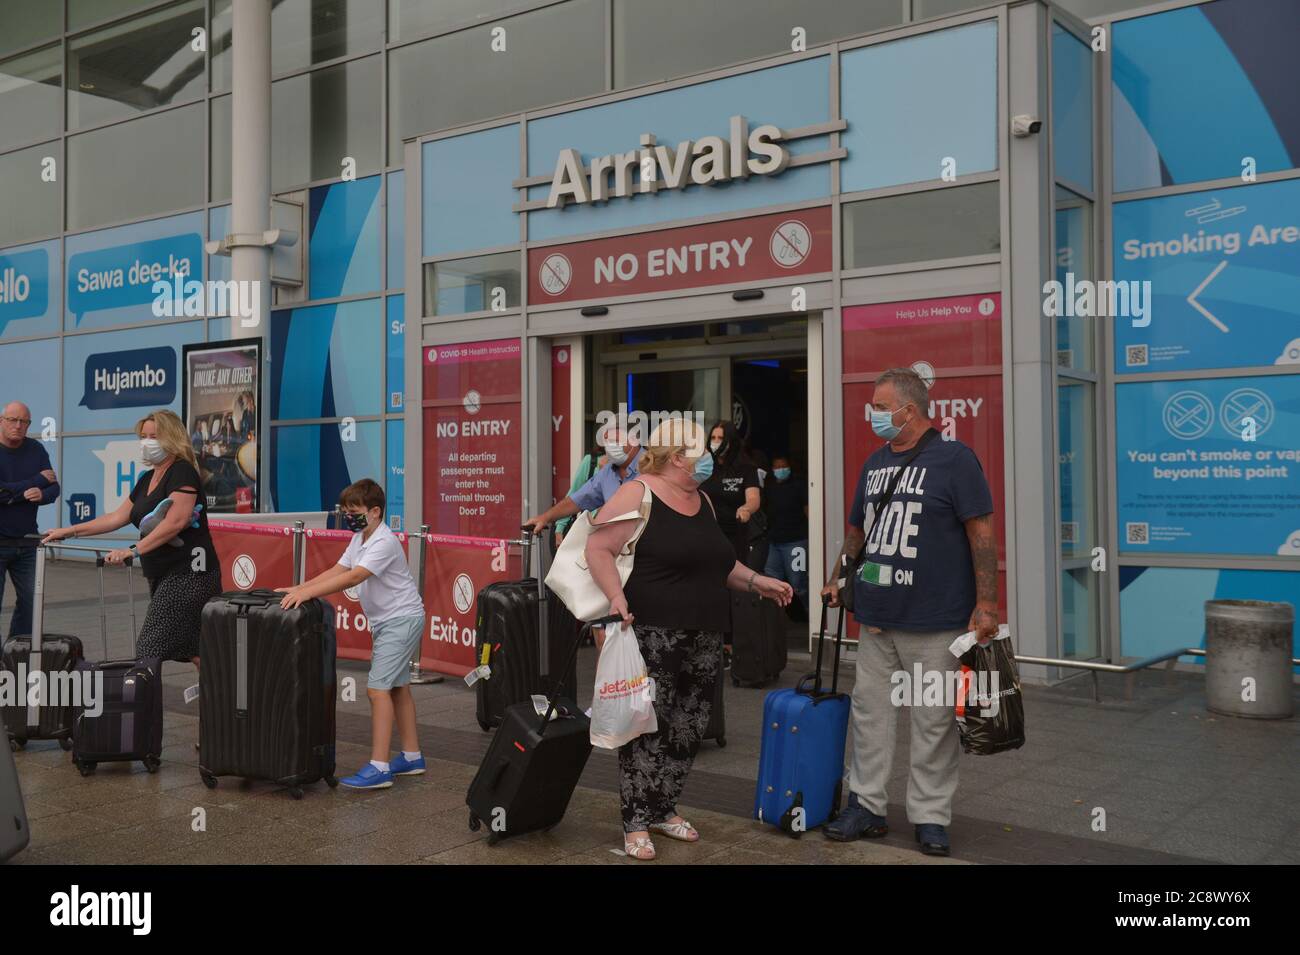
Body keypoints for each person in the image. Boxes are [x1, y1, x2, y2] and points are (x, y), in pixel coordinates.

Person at [585, 417, 793, 860]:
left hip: (704, 632)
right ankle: (635, 820)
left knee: (689, 725)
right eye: (702, 451)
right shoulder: (638, 492)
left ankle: (662, 808)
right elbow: (597, 547)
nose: (710, 458)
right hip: (653, 629)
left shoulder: (702, 500)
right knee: (646, 723)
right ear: (678, 457)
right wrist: (616, 599)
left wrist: (760, 581)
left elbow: (719, 564)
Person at [820, 368, 998, 857]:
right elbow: (858, 530)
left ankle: (930, 817)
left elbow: (981, 533)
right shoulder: (876, 462)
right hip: (877, 618)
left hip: (937, 619)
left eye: (880, 407)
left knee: (933, 721)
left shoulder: (955, 460)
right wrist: (839, 578)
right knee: (871, 715)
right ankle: (866, 805)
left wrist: (987, 604)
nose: (874, 415)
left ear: (909, 411)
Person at [43, 410, 222, 673]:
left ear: (171, 438)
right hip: (162, 573)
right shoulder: (147, 479)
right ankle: (225, 705)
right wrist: (70, 531)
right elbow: (117, 517)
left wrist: (133, 551)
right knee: (193, 648)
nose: (146, 442)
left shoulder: (182, 472)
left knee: (149, 649)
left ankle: (143, 712)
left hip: (190, 573)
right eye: (143, 436)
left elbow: (177, 521)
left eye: (153, 436)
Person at [278, 479, 426, 790]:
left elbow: (354, 577)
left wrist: (308, 595)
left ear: (376, 512)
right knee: (397, 687)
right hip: (391, 621)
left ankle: (379, 766)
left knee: (377, 690)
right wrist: (301, 588)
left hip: (401, 620)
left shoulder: (384, 542)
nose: (349, 516)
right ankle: (412, 757)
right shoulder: (361, 538)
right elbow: (339, 569)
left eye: (354, 511)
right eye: (346, 511)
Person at [0, 401, 59, 639]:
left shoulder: (36, 449)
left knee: (31, 605)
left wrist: (42, 493)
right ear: (1, 421)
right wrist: (32, 483)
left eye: (24, 422)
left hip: (27, 542)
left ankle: (16, 653)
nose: (18, 426)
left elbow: (54, 488)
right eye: (12, 420)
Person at [524, 427, 642, 535]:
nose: (610, 447)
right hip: (615, 549)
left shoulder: (651, 467)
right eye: (607, 442)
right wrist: (545, 518)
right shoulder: (607, 472)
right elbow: (577, 500)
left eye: (615, 441)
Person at [698, 420, 760, 562]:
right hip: (706, 534)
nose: (716, 442)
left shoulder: (746, 468)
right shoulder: (705, 466)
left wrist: (746, 509)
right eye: (713, 438)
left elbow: (754, 499)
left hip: (734, 536)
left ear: (731, 441)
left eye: (720, 438)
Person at [763, 454, 810, 615]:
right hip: (774, 542)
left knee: (799, 583)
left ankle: (813, 615)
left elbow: (808, 510)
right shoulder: (769, 486)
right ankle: (774, 621)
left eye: (783, 466)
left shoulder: (799, 485)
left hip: (796, 542)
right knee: (771, 582)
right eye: (777, 467)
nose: (780, 470)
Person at [554, 437, 607, 539]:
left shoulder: (629, 467)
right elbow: (574, 494)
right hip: (588, 529)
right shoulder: (591, 461)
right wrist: (560, 528)